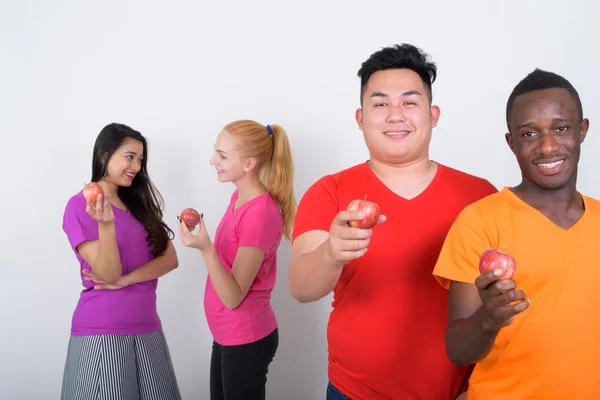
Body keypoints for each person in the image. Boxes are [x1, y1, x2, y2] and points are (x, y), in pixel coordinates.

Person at [288, 43, 498, 399]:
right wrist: (331, 254)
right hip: (354, 391)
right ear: (360, 118)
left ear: (433, 115)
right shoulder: (330, 191)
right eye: (381, 103)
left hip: (458, 393)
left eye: (410, 102)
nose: (395, 114)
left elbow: (496, 298)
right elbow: (301, 288)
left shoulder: (480, 195)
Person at [432, 68, 600, 399]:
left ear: (582, 131)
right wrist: (488, 319)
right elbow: (458, 350)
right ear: (511, 143)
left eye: (561, 128)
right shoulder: (479, 222)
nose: (548, 147)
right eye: (529, 134)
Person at [60, 123, 182, 399]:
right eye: (129, 156)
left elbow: (170, 259)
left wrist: (128, 279)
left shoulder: (138, 204)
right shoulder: (80, 206)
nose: (137, 166)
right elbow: (108, 273)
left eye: (140, 159)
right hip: (103, 330)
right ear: (104, 156)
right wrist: (106, 225)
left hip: (148, 325)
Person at [178, 120, 296, 400]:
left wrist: (206, 249)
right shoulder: (238, 198)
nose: (212, 161)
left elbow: (233, 296)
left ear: (249, 163)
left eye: (222, 155)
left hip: (246, 337)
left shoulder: (259, 214)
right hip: (228, 335)